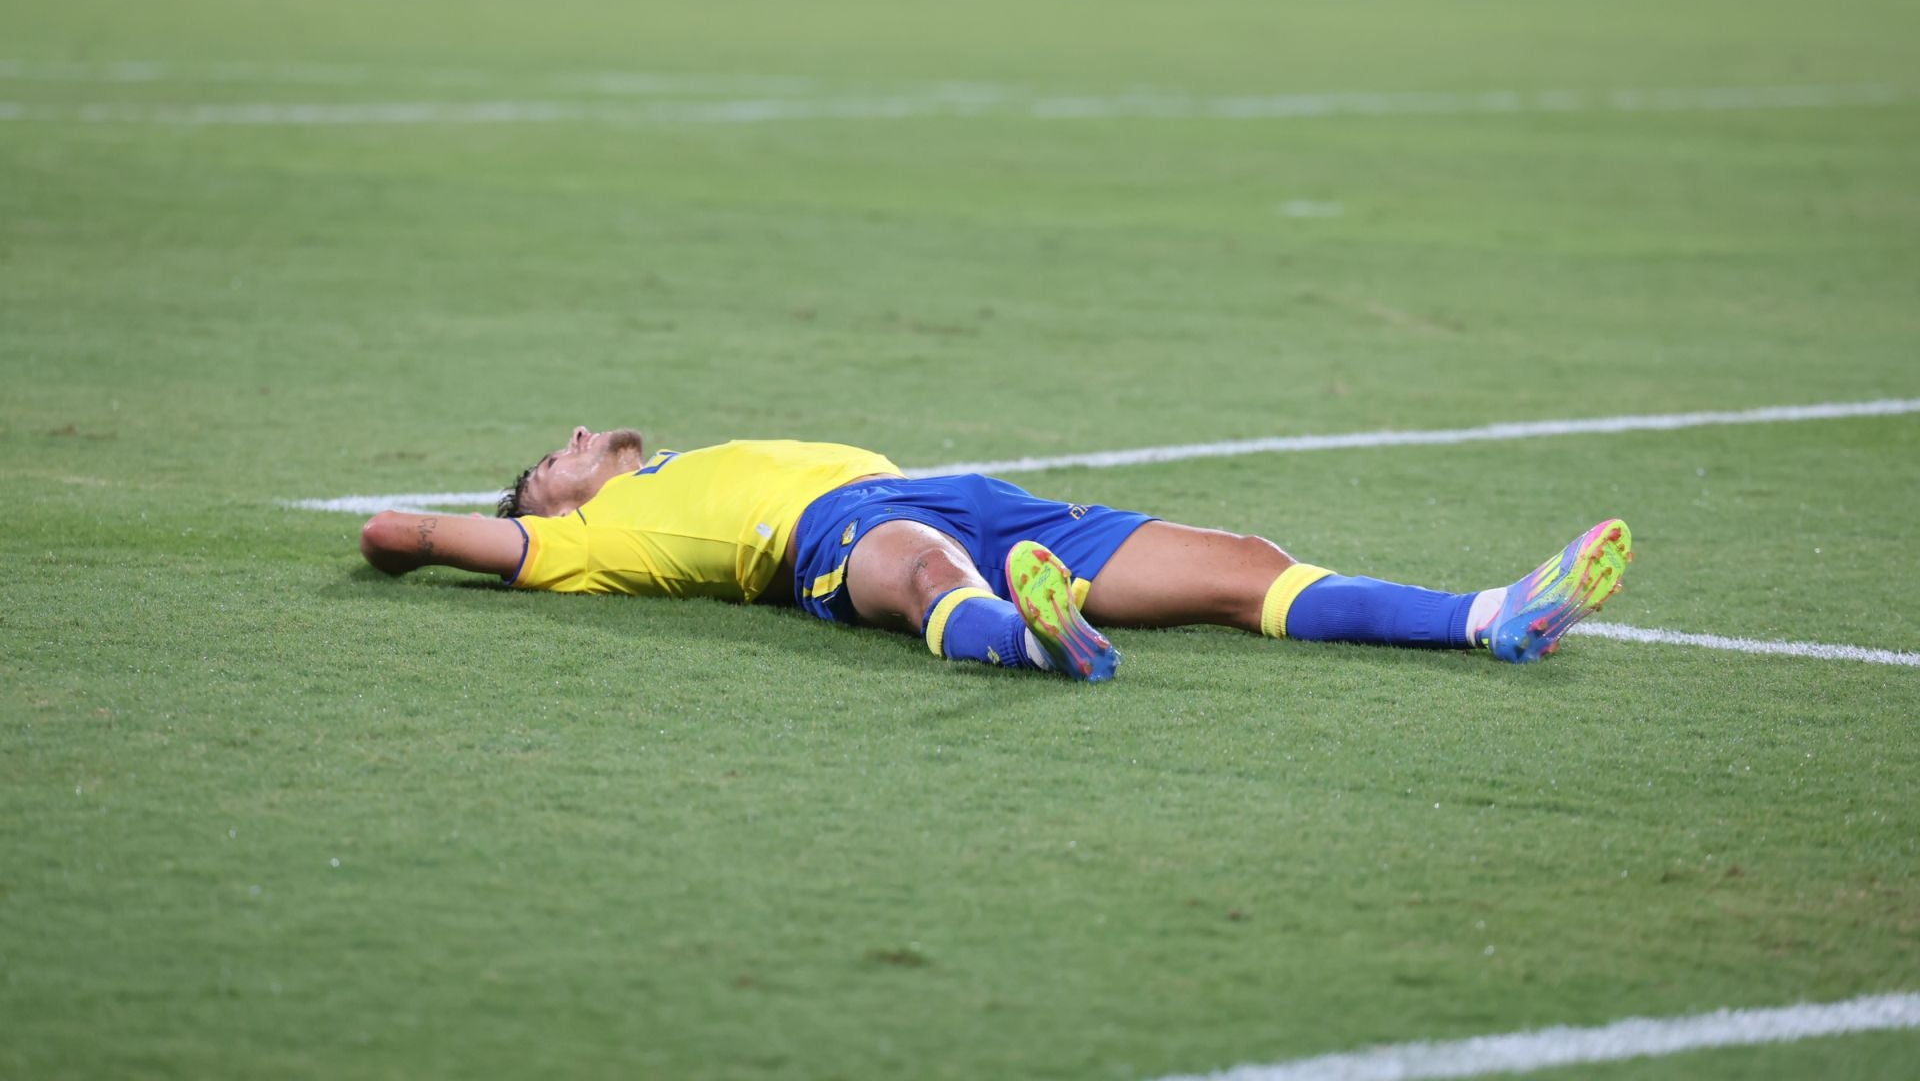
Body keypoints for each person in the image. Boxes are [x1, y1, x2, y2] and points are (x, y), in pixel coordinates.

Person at [358, 427, 1632, 682]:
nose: (575, 441)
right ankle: (1031, 635)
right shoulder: (585, 541)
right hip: (832, 538)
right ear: (552, 505)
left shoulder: (668, 459)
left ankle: (1491, 617)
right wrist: (418, 542)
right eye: (551, 458)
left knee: (1244, 560)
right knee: (917, 573)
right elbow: (402, 530)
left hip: (961, 490)